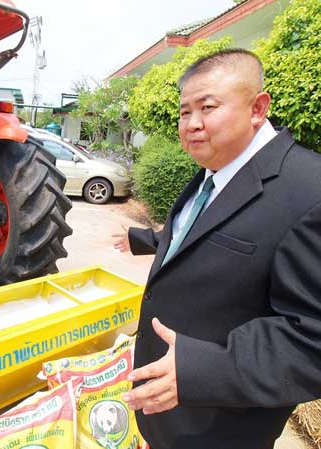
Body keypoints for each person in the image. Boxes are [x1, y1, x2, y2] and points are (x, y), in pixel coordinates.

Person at [117, 49, 321, 449]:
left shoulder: (310, 190)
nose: (191, 124)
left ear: (258, 108)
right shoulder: (217, 169)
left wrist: (201, 371)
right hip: (167, 415)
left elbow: (312, 337)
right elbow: (209, 235)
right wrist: (145, 240)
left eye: (207, 107)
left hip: (220, 426)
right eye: (184, 112)